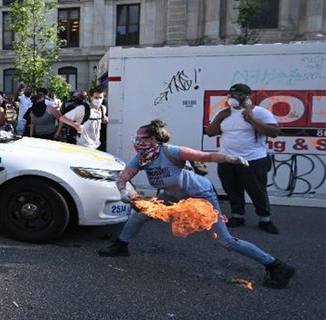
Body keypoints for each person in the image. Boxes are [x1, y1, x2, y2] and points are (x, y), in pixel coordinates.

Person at [98, 119, 295, 289]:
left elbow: (206, 156)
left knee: (225, 240)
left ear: (153, 140)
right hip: (173, 196)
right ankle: (121, 245)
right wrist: (123, 191)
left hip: (201, 195)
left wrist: (229, 158)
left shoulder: (171, 152)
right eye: (137, 138)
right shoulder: (140, 158)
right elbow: (123, 178)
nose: (137, 142)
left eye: (141, 138)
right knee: (139, 215)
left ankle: (276, 266)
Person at [205, 83, 281, 234]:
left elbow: (274, 132)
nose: (233, 98)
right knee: (232, 190)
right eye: (230, 95)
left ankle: (265, 219)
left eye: (237, 95)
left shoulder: (259, 112)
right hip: (227, 159)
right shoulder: (223, 113)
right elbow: (210, 132)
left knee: (257, 191)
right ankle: (237, 216)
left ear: (247, 96)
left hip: (253, 160)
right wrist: (219, 118)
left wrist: (252, 119)